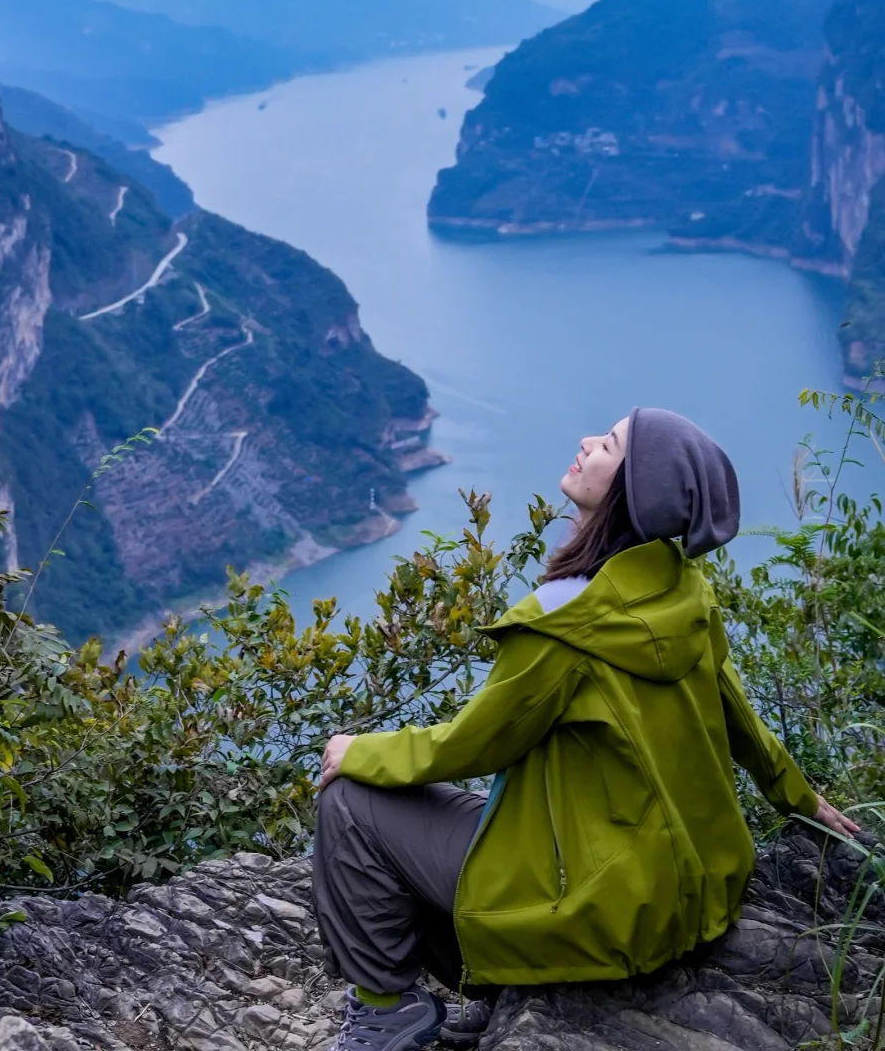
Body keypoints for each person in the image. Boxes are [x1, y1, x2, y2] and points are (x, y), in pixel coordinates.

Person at [313, 408, 859, 1051]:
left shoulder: (565, 623)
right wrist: (798, 796)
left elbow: (473, 743)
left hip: (603, 907)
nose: (586, 442)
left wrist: (356, 750)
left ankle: (386, 1009)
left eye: (610, 444)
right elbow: (739, 715)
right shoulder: (685, 592)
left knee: (351, 804)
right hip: (690, 896)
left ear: (635, 489)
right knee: (461, 820)